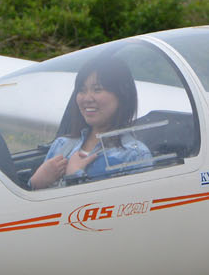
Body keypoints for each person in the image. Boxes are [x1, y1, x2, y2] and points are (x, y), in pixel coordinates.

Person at [29, 56, 151, 189]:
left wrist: (75, 176)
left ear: (122, 95)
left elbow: (129, 201)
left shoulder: (135, 155)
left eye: (97, 89)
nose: (87, 98)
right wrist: (36, 182)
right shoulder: (62, 144)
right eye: (82, 90)